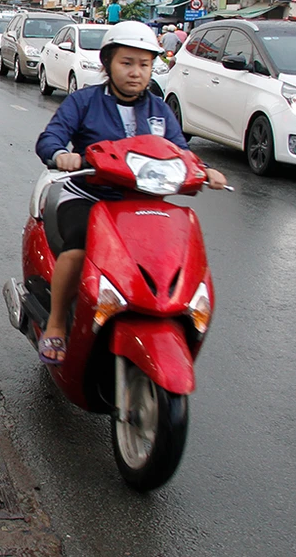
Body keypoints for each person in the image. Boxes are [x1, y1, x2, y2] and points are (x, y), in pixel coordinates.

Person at [33, 20, 227, 364]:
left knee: (174, 258)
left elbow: (181, 150)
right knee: (77, 251)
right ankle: (57, 323)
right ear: (108, 63)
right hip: (89, 198)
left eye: (145, 64)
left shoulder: (158, 109)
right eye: (127, 63)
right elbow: (50, 138)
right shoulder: (84, 101)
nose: (136, 72)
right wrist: (61, 155)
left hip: (144, 203)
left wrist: (203, 170)